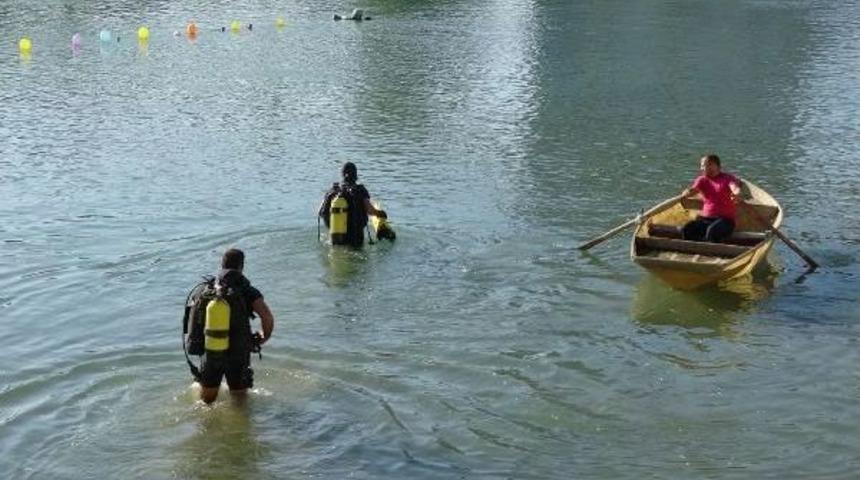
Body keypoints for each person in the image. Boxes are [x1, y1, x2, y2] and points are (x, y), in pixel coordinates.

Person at [198, 248, 274, 404]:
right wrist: (264, 337)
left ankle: (206, 427)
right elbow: (267, 316)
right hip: (238, 353)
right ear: (241, 266)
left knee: (206, 402)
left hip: (212, 350)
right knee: (239, 403)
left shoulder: (206, 290)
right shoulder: (247, 291)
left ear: (222, 264)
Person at [318, 162, 387, 247]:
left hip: (337, 236)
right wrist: (380, 213)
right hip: (355, 237)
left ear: (342, 175)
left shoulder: (333, 191)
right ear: (355, 175)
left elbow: (321, 212)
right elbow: (370, 210)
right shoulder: (360, 190)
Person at [681, 154, 743, 243]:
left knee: (712, 231)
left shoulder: (727, 178)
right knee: (686, 229)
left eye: (704, 165)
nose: (702, 168)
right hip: (706, 219)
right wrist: (686, 193)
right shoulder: (701, 180)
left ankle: (711, 251)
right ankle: (693, 249)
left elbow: (734, 188)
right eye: (702, 165)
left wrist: (736, 194)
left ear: (714, 166)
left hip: (725, 221)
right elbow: (693, 190)